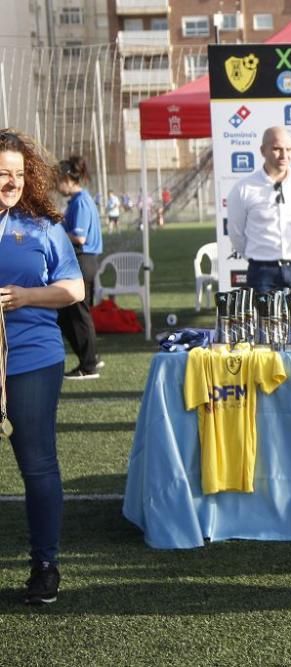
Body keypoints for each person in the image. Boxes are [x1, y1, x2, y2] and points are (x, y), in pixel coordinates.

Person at [0, 129, 85, 605]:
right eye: (1, 174)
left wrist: (27, 296)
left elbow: (75, 290)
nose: (10, 182)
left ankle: (45, 566)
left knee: (37, 465)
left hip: (33, 358)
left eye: (17, 173)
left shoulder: (42, 226)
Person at [227, 126, 291, 338]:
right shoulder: (243, 189)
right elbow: (236, 233)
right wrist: (262, 256)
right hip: (263, 272)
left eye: (289, 149)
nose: (284, 155)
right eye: (277, 149)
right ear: (262, 150)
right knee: (266, 342)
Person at [56, 155, 103, 380]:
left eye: (58, 180)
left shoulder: (81, 201)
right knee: (67, 315)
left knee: (78, 315)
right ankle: (90, 356)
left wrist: (56, 233)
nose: (56, 186)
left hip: (83, 261)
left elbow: (80, 238)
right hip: (82, 262)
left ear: (67, 178)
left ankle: (89, 365)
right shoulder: (76, 201)